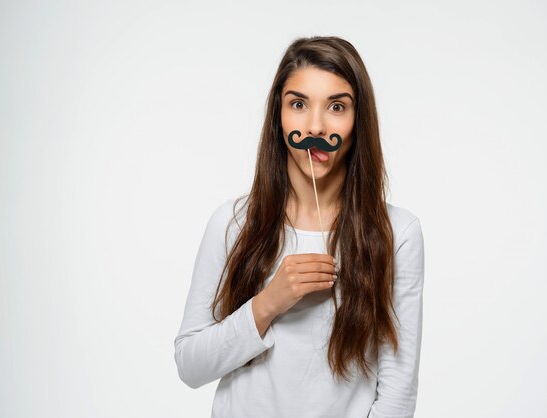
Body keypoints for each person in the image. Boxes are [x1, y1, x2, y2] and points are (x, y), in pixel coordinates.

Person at [174, 36, 425, 418]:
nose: (316, 126)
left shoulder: (397, 233)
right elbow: (190, 366)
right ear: (279, 115)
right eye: (298, 104)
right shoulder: (232, 223)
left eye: (337, 106)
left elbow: (397, 393)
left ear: (359, 120)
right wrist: (268, 303)